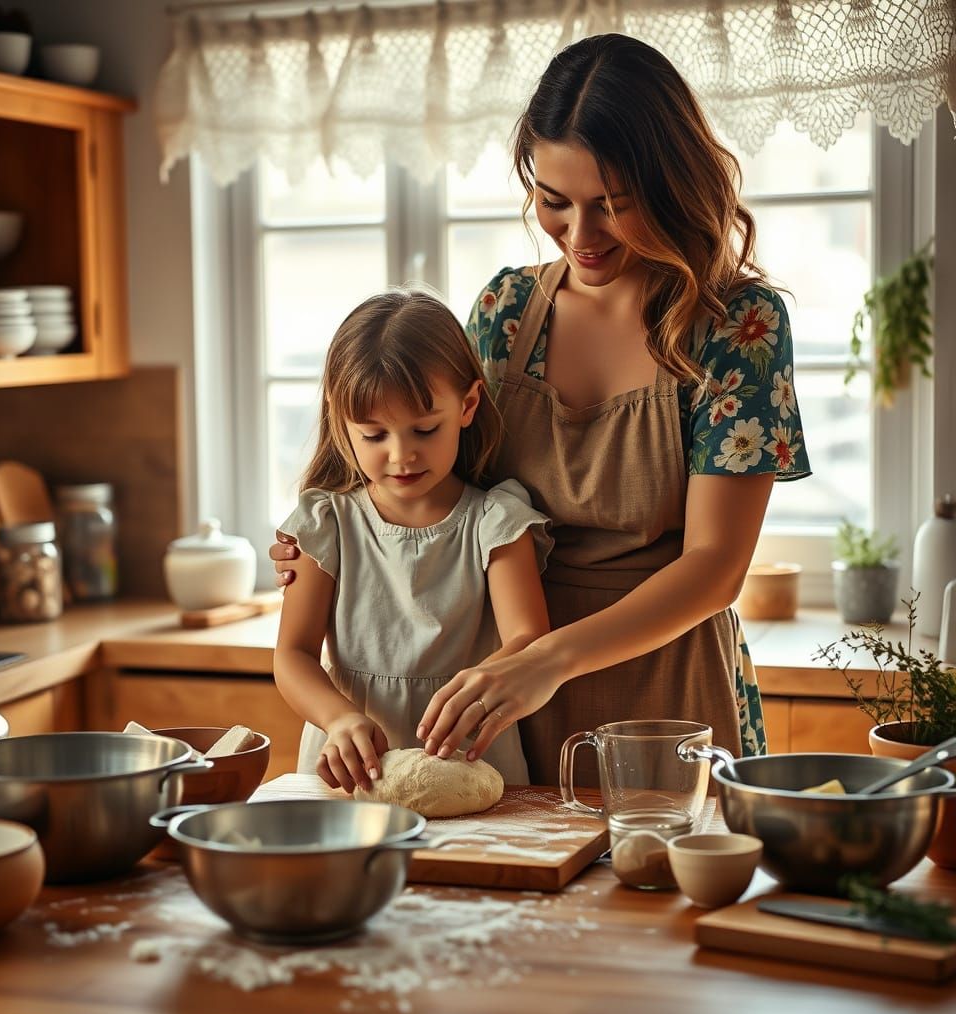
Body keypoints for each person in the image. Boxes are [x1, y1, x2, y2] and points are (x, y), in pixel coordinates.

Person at [274, 34, 811, 787]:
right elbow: (430, 461)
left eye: (613, 207)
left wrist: (549, 660)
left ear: (669, 187)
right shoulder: (505, 310)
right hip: (501, 701)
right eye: (555, 203)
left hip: (665, 689)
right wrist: (324, 531)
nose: (581, 237)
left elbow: (715, 567)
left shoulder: (735, 324)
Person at [273, 289, 552, 795]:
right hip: (353, 770)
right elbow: (292, 655)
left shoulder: (497, 522)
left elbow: (527, 642)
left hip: (468, 757)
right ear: (342, 421)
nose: (401, 455)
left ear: (467, 405)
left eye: (425, 429)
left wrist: (468, 699)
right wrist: (338, 720)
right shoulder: (326, 522)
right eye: (374, 435)